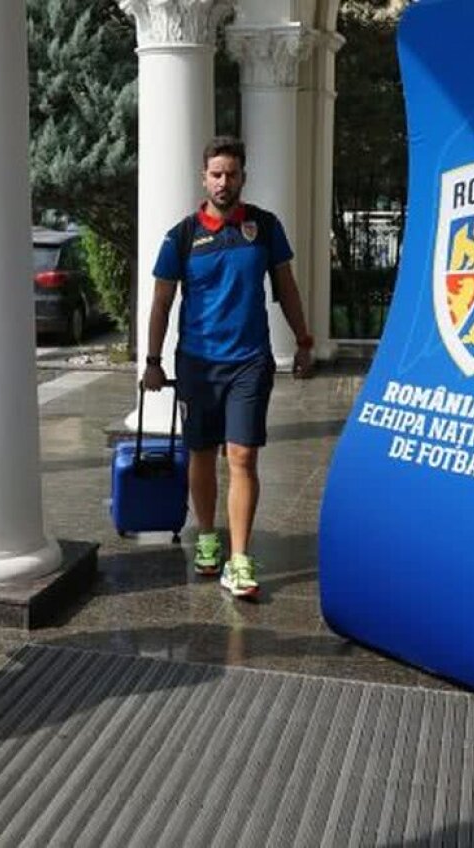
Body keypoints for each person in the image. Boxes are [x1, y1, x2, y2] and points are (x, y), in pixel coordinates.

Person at [143, 136, 314, 600]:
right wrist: (153, 361)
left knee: (242, 456)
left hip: (249, 362)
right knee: (202, 453)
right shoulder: (181, 236)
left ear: (243, 177)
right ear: (204, 178)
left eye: (232, 174)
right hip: (197, 362)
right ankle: (207, 537)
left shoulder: (264, 227)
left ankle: (239, 558)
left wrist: (303, 340)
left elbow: (287, 289)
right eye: (216, 174)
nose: (224, 182)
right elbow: (161, 302)